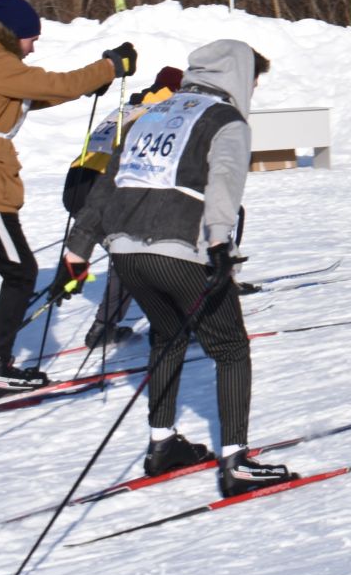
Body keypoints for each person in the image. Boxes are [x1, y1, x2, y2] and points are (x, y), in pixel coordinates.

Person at [60, 40, 292, 495]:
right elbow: (225, 179)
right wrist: (221, 239)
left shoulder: (153, 113)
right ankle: (236, 462)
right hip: (179, 249)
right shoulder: (226, 120)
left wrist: (78, 249)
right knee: (229, 348)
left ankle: (162, 445)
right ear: (238, 76)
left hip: (126, 253)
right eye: (254, 81)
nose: (254, 90)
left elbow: (109, 182)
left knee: (168, 337)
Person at [0, 0, 131, 413]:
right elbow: (52, 84)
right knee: (21, 271)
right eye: (31, 38)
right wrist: (110, 66)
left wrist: (94, 80)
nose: (33, 47)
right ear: (13, 35)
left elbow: (33, 94)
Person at [63, 65, 184, 347]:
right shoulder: (161, 110)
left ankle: (106, 326)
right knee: (135, 256)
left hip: (77, 182)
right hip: (102, 187)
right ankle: (157, 328)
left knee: (128, 256)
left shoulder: (133, 104)